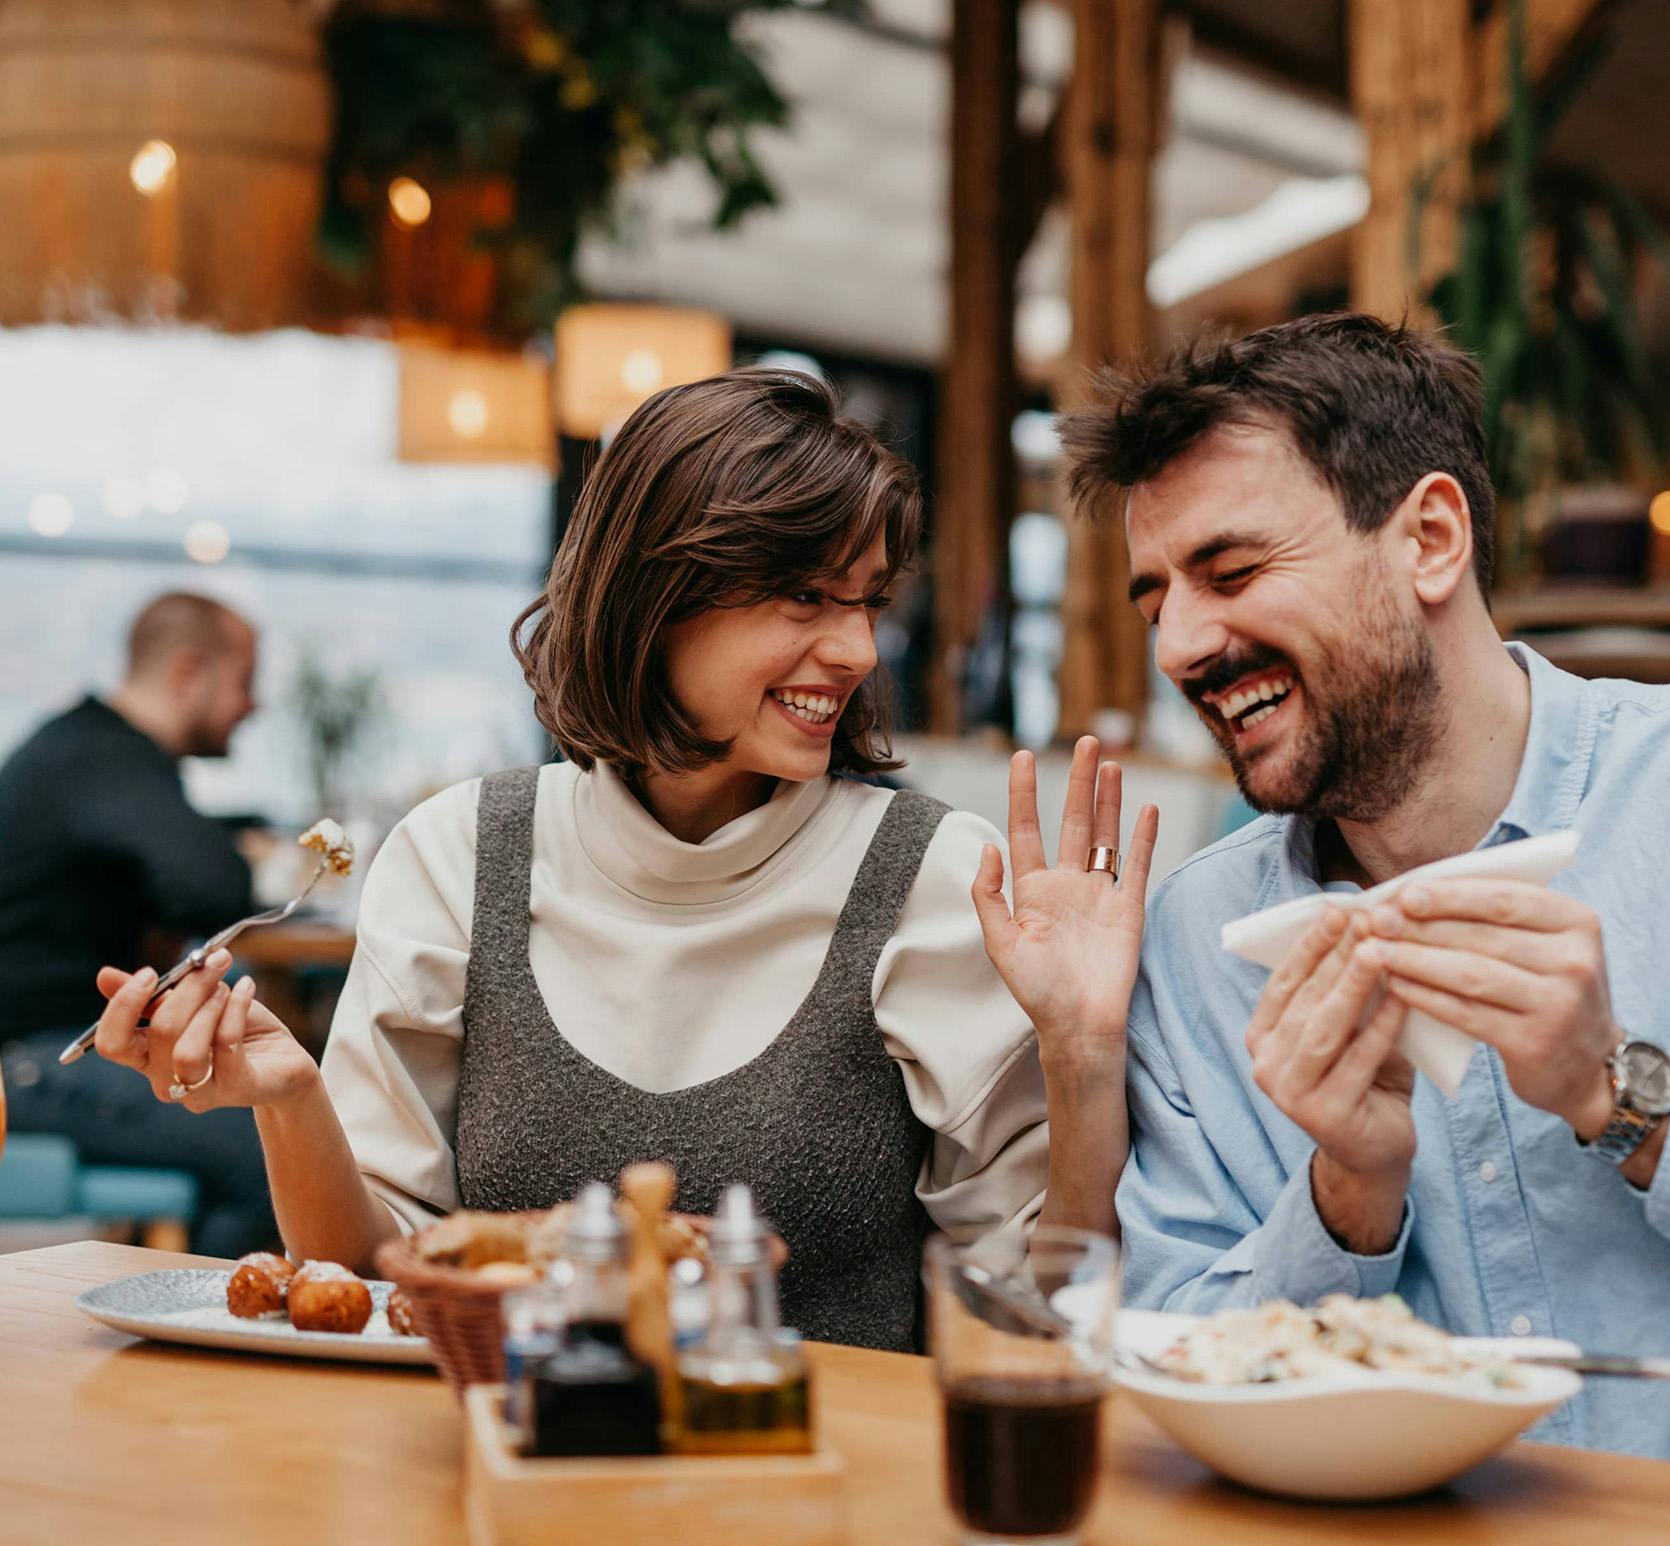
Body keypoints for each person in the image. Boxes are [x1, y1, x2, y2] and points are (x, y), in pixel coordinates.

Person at [84, 370, 1149, 1351]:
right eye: (807, 598)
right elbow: (370, 1283)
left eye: (867, 599)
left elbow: (1033, 1302)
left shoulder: (932, 875)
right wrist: (290, 1100)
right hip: (503, 1476)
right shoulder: (461, 854)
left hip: (832, 1495)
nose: (860, 650)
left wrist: (1084, 1056)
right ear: (656, 596)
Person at [978, 311, 1670, 1461]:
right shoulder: (1191, 937)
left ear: (1428, 538)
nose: (1178, 649)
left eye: (1231, 570)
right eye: (1158, 601)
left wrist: (1619, 1095)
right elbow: (1171, 1354)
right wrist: (1346, 1196)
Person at [0, 592, 277, 1257]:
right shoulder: (106, 757)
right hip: (32, 1061)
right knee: (272, 1152)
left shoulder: (83, 750)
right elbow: (218, 887)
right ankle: (211, 1347)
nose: (252, 705)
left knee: (274, 1120)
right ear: (188, 674)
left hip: (48, 1049)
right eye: (243, 682)